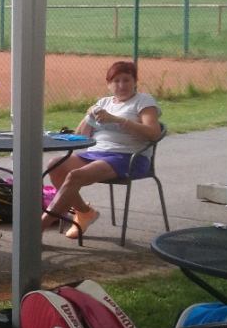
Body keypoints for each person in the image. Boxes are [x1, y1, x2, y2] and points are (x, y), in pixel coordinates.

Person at [46, 60, 163, 239]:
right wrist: (89, 114)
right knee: (55, 165)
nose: (121, 85)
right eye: (116, 81)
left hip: (129, 157)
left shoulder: (143, 101)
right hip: (97, 153)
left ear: (135, 81)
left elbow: (153, 133)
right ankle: (84, 212)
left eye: (127, 80)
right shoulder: (104, 103)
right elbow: (81, 136)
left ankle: (39, 227)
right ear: (108, 84)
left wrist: (117, 119)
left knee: (75, 176)